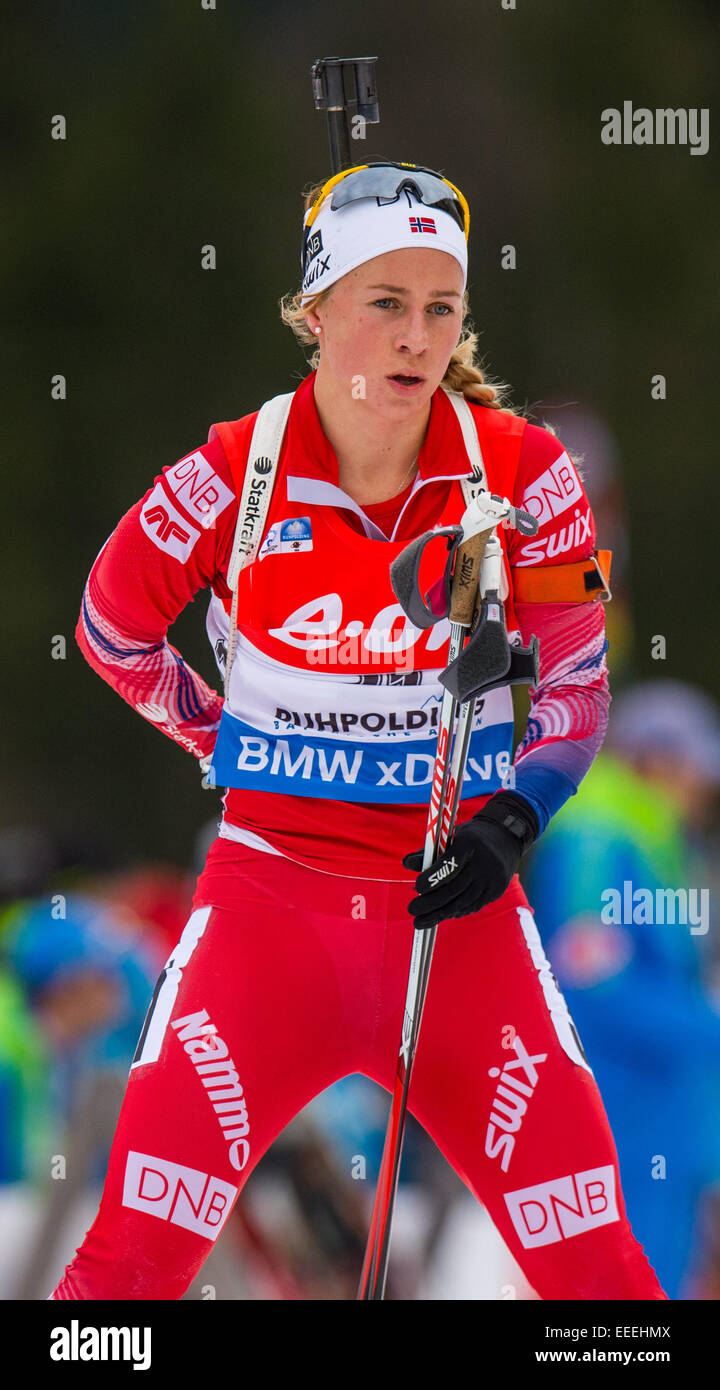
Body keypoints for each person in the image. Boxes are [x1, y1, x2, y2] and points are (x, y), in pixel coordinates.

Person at [50, 162, 666, 1300]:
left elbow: (577, 681)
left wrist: (515, 818)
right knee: (124, 1271)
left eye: (441, 307)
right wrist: (220, 737)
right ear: (315, 312)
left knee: (599, 1275)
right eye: (384, 301)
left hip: (457, 919)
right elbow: (109, 624)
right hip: (267, 918)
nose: (415, 336)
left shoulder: (520, 472)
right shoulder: (240, 469)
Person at [523, 680, 720, 1298]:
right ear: (656, 762)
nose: (702, 797)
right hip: (623, 1113)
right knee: (633, 1292)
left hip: (655, 1114)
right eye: (696, 776)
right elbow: (590, 979)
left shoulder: (643, 835)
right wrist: (706, 1023)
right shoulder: (600, 835)